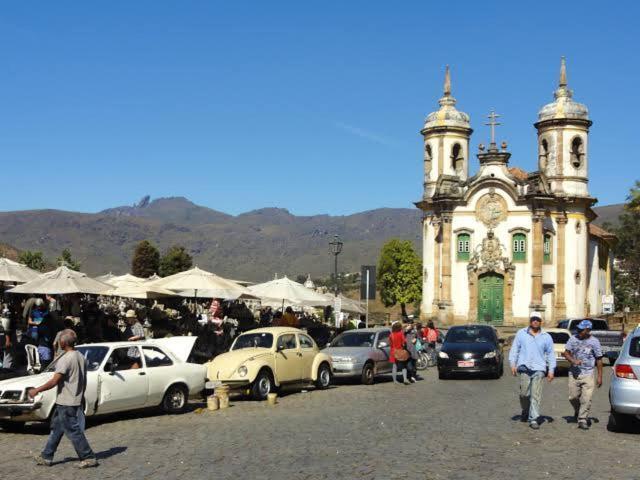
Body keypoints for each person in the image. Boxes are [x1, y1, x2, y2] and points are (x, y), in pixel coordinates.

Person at [28, 329, 98, 468]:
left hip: (67, 401)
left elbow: (54, 381)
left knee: (73, 431)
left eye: (60, 339)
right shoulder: (80, 356)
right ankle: (46, 456)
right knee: (57, 429)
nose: (58, 341)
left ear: (63, 342)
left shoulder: (65, 359)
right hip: (72, 399)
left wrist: (36, 390)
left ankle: (88, 457)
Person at [508, 311, 556, 430]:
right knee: (524, 394)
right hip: (524, 367)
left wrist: (551, 370)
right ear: (530, 321)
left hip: (539, 369)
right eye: (533, 319)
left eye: (538, 319)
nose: (535, 321)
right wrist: (512, 364)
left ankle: (533, 418)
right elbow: (515, 349)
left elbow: (550, 355)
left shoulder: (546, 337)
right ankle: (525, 410)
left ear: (541, 322)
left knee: (536, 395)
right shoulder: (521, 333)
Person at [562, 320, 604, 430]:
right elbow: (566, 353)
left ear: (588, 330)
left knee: (587, 398)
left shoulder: (595, 342)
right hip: (574, 373)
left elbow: (599, 359)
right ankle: (578, 410)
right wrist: (573, 360)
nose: (579, 331)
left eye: (582, 330)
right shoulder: (573, 339)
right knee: (573, 397)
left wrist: (599, 376)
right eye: (578, 329)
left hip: (588, 373)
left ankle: (582, 419)